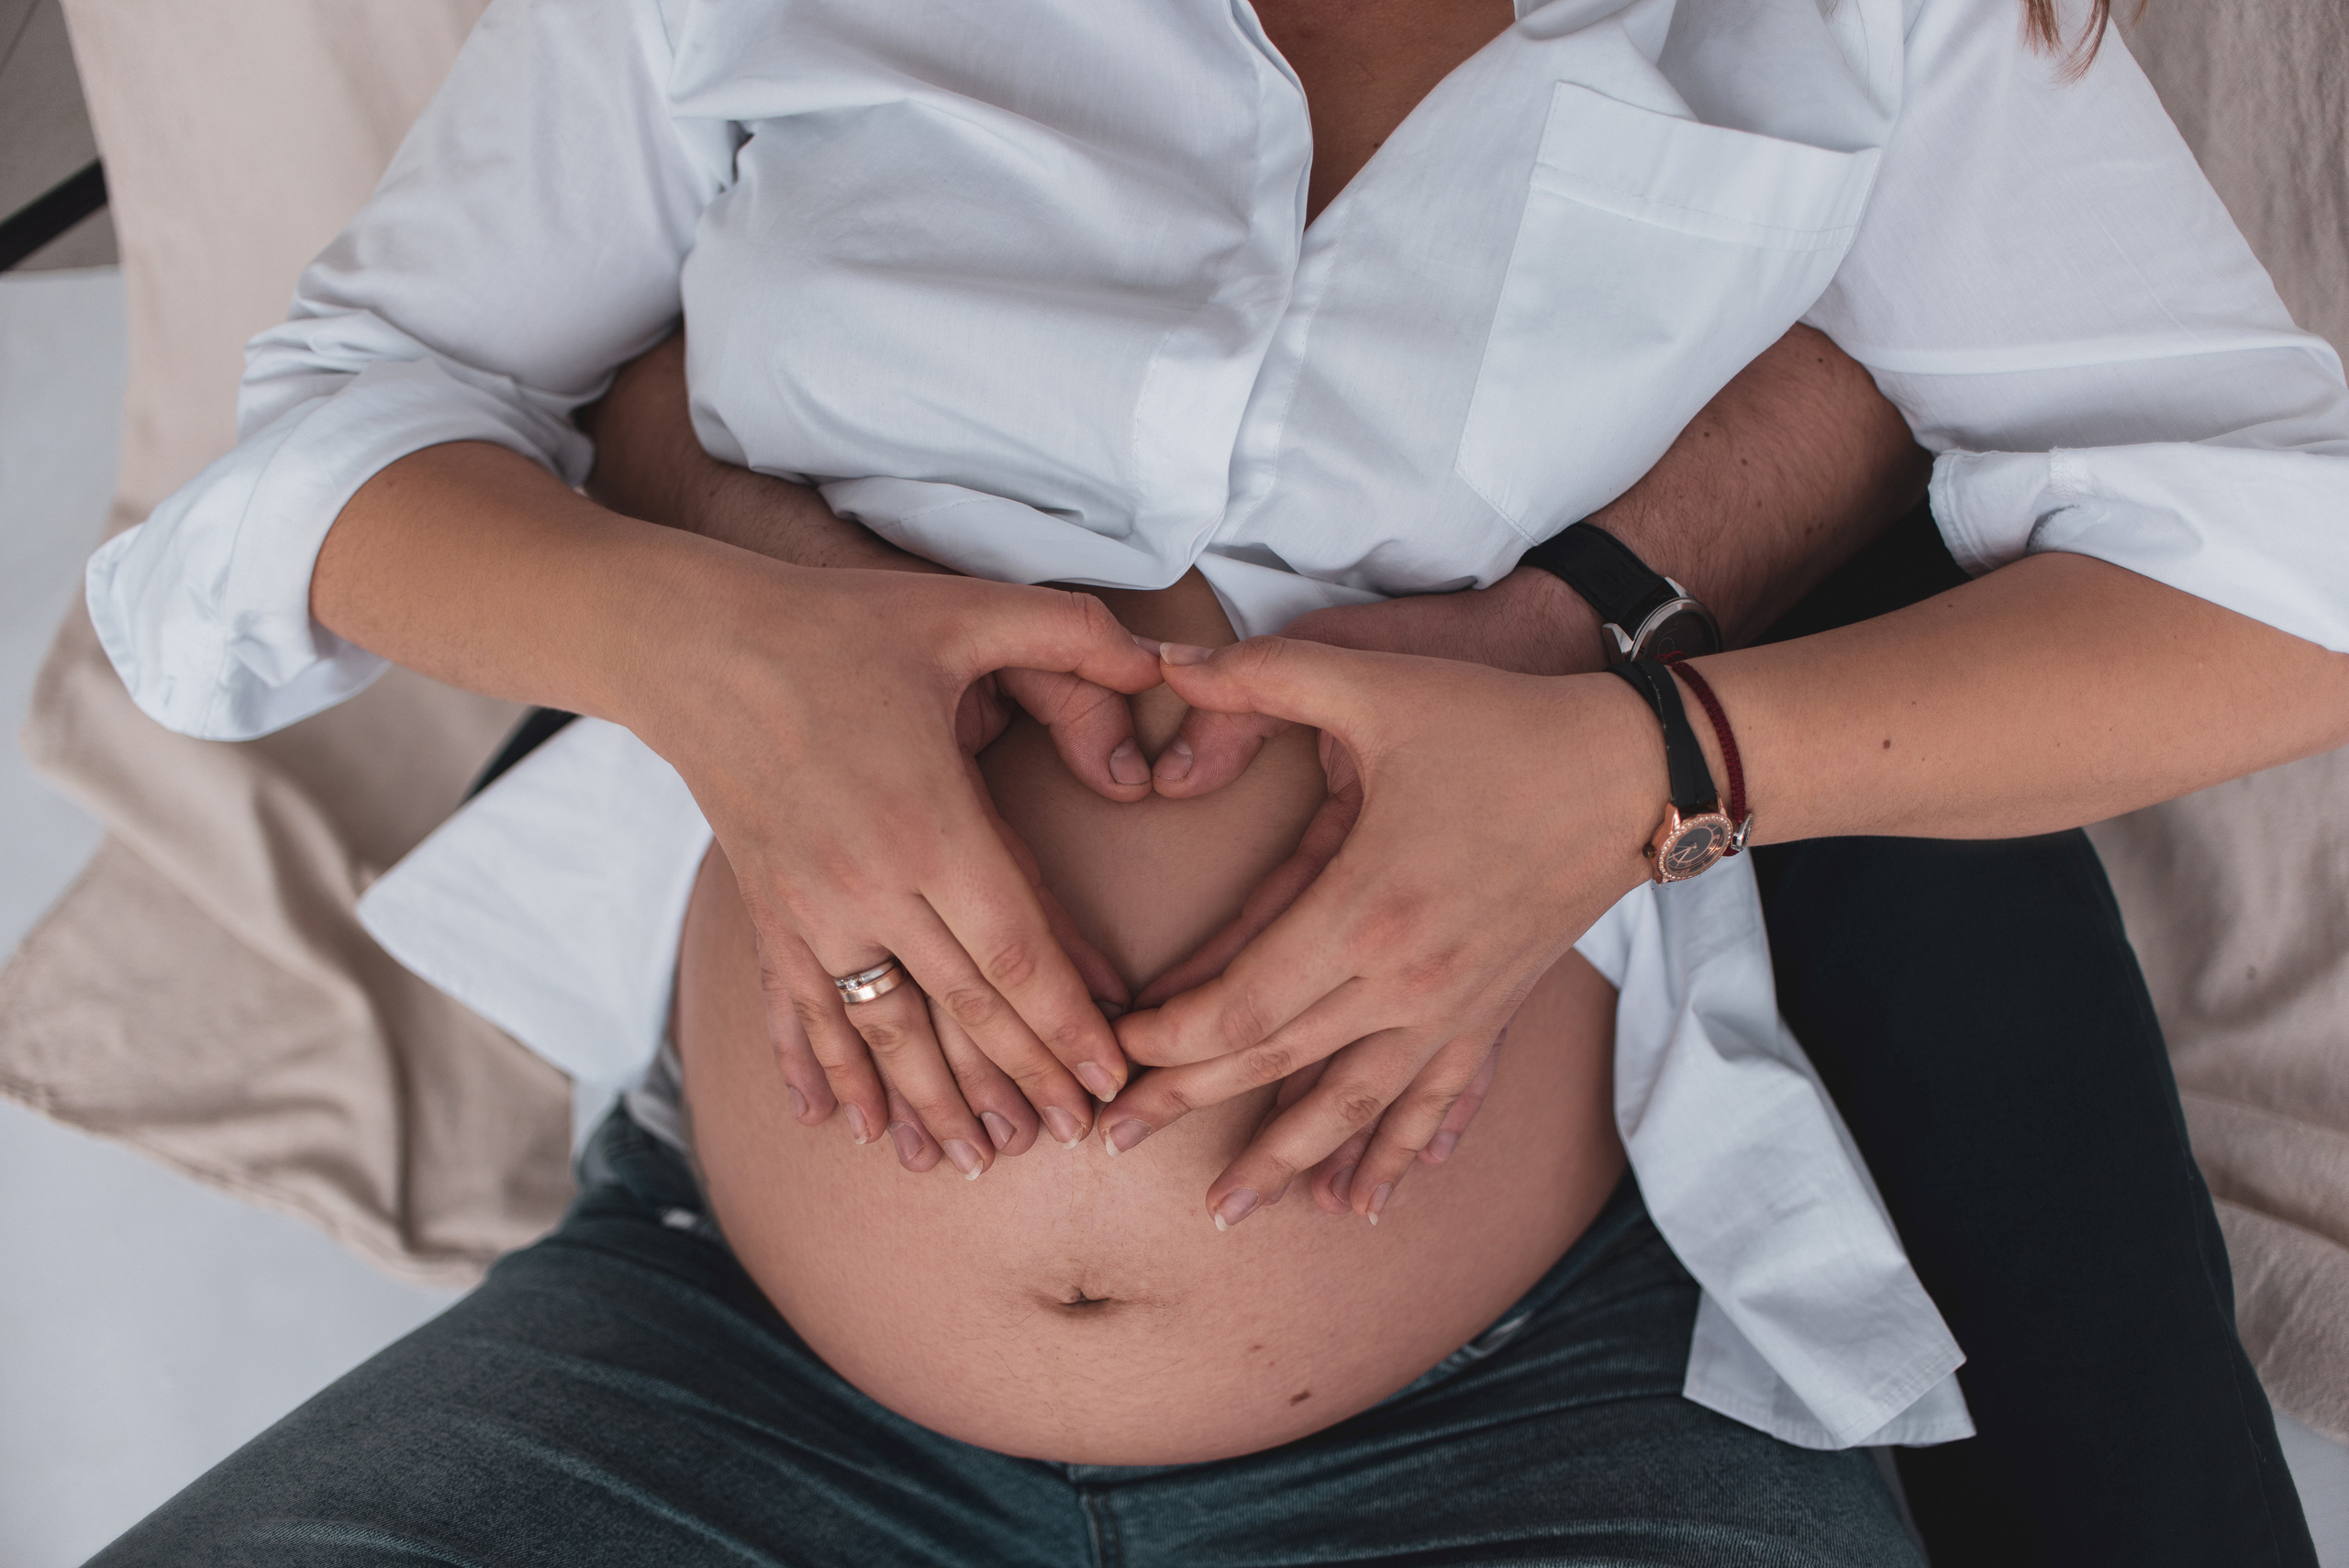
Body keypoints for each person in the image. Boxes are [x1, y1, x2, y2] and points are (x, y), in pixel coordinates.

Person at [80, 0, 2346, 1562]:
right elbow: (289, 486)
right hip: (713, 1372)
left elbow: (2285, 581)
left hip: (1536, 1409)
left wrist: (1635, 765)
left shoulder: (1854, 27)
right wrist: (721, 654)